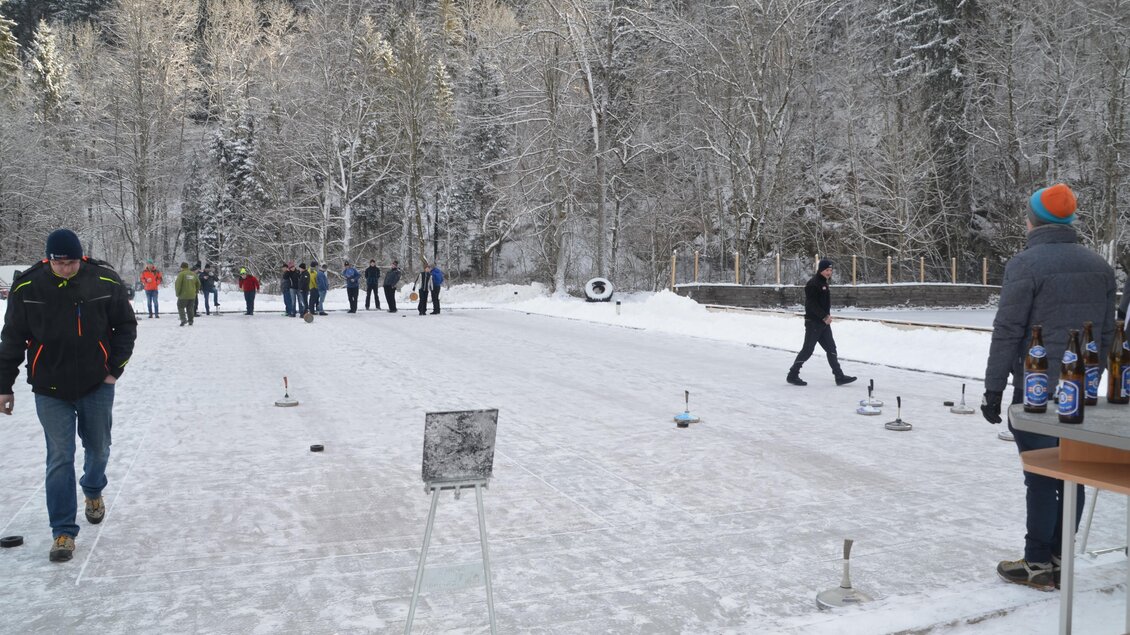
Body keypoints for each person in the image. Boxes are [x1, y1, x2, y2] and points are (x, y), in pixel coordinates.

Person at [981, 183, 1116, 590]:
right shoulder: (1101, 267)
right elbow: (1108, 333)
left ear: (1033, 221)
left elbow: (1008, 330)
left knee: (1040, 476)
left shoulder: (1025, 265)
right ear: (1071, 220)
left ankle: (1038, 563)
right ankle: (1061, 557)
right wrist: (1091, 382)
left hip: (1038, 392)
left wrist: (993, 389)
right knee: (1071, 474)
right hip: (1083, 394)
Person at [0, 229, 137, 562]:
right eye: (59, 263)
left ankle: (93, 489)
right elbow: (12, 339)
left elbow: (126, 326)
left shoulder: (104, 280)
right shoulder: (28, 286)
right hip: (50, 387)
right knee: (59, 456)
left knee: (99, 446)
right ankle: (62, 531)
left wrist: (113, 370)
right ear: (49, 259)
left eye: (72, 262)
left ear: (81, 257)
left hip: (96, 383)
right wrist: (4, 385)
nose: (66, 269)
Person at [786, 259, 857, 386]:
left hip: (823, 323)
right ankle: (792, 374)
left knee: (831, 348)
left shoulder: (823, 283)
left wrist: (825, 317)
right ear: (820, 270)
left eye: (830, 270)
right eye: (826, 270)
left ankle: (839, 376)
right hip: (813, 322)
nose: (829, 272)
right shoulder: (813, 284)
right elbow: (811, 304)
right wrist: (824, 316)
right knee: (808, 350)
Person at [174, 262, 201, 326]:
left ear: (182, 267)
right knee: (190, 308)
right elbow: (198, 283)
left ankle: (183, 319)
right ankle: (191, 321)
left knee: (180, 306)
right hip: (192, 295)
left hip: (183, 295)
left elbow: (178, 284)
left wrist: (177, 293)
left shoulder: (181, 274)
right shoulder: (193, 274)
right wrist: (196, 291)